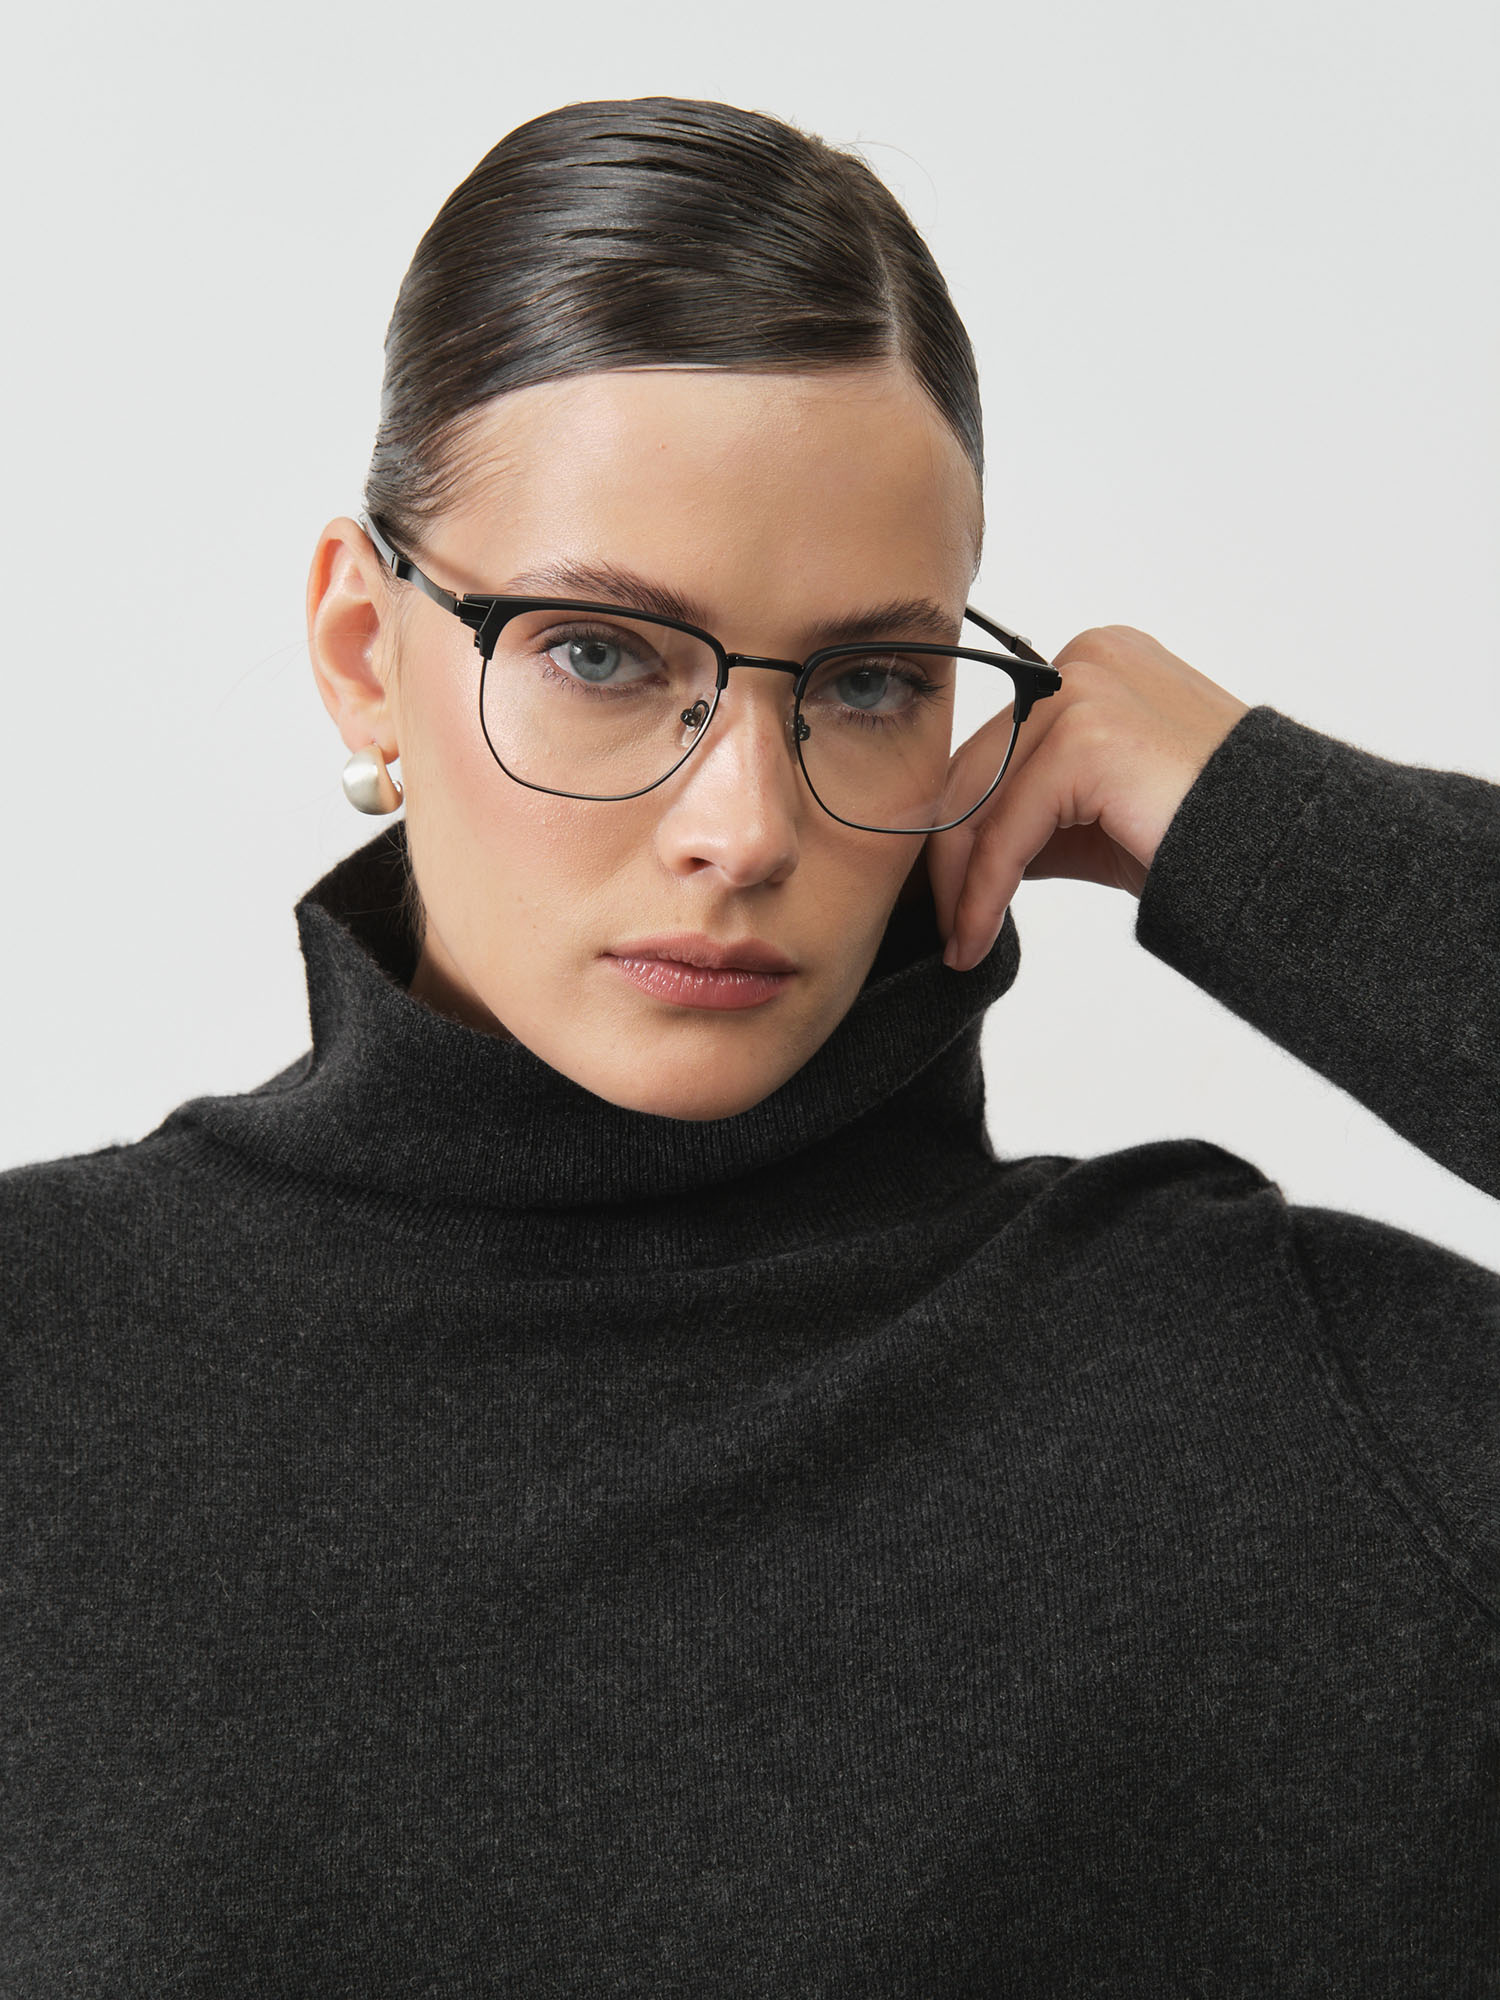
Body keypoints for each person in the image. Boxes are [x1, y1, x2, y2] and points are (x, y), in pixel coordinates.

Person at [3, 95, 1495, 1998]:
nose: (744, 826)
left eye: (867, 682)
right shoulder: (44, 1371)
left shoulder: (1303, 1415)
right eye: (600, 653)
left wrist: (1272, 835)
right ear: (366, 655)